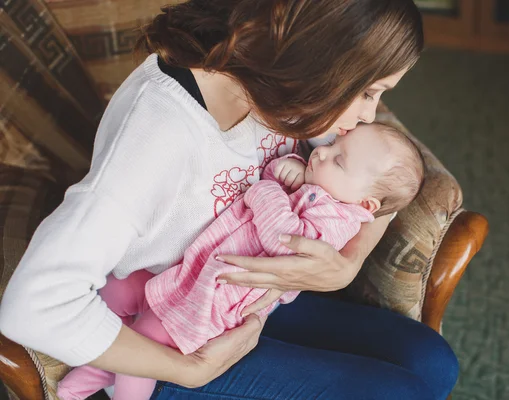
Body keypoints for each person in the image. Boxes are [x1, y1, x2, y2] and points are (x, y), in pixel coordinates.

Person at [0, 1, 458, 399]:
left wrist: (349, 262)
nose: (368, 115)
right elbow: (32, 306)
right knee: (403, 393)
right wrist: (188, 370)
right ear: (313, 58)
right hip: (171, 329)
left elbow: (380, 187)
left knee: (434, 362)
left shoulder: (281, 91)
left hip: (244, 302)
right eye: (366, 91)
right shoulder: (157, 137)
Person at [57, 123, 425, 400]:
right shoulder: (324, 186)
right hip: (197, 270)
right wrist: (292, 168)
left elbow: (284, 240)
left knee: (145, 343)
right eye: (331, 145)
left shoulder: (338, 220)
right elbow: (280, 178)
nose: (323, 153)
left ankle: (89, 387)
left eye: (338, 160)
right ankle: (103, 372)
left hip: (217, 299)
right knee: (115, 289)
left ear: (365, 205)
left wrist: (266, 190)